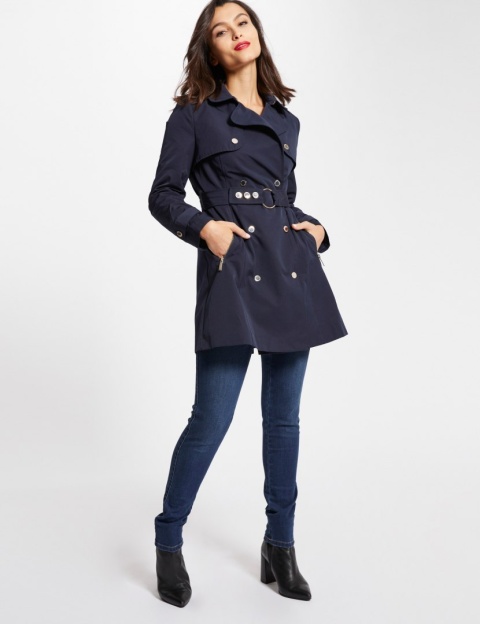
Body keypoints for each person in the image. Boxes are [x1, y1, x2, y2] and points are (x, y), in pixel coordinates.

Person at [147, 0, 348, 608]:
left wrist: (318, 229)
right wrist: (203, 227)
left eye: (243, 23)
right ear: (209, 50)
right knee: (211, 418)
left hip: (290, 269)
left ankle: (280, 545)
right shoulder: (193, 115)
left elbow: (279, 198)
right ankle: (168, 539)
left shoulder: (287, 120)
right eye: (221, 30)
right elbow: (162, 195)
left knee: (284, 421)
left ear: (257, 34)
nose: (236, 34)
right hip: (232, 270)